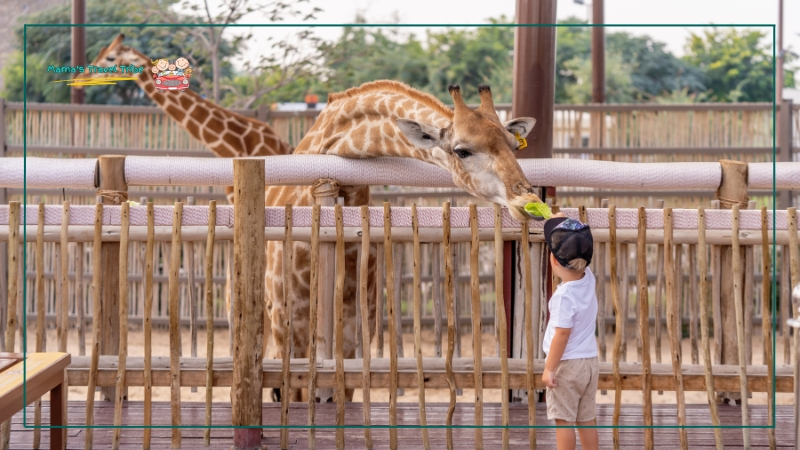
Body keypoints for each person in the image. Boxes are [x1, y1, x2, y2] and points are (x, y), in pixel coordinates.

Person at [541, 212, 599, 450]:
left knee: (564, 421)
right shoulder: (588, 277)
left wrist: (549, 368)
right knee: (586, 419)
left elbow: (561, 335)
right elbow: (577, 244)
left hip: (567, 366)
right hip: (589, 363)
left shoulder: (564, 296)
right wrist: (561, 218)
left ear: (554, 261)